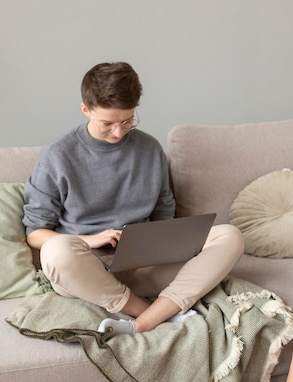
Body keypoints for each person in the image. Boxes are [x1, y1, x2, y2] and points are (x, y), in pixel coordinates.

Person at [22, 62, 244, 336]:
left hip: (144, 265)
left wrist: (163, 241)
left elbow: (165, 215)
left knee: (229, 236)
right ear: (86, 110)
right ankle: (150, 313)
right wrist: (88, 241)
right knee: (56, 251)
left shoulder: (150, 149)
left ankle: (143, 323)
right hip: (85, 271)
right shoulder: (57, 155)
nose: (118, 132)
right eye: (107, 123)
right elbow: (35, 233)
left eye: (127, 121)